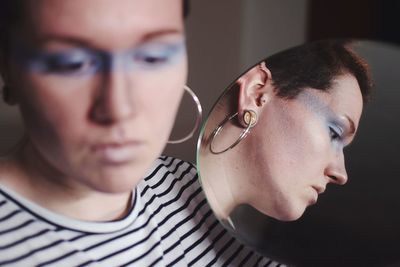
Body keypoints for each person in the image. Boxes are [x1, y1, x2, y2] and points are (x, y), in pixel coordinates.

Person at [0, 0, 280, 266]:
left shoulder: (199, 192)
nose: (119, 108)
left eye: (153, 57)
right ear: (7, 68)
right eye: (70, 63)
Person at [198, 40, 372, 227]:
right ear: (256, 93)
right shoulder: (161, 195)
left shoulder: (245, 252)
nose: (341, 174)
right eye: (334, 133)